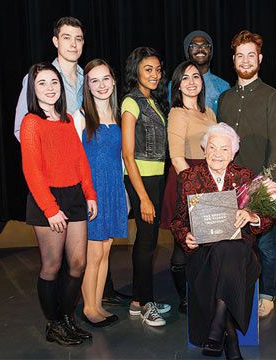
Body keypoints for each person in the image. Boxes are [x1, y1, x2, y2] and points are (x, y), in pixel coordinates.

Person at [170, 123, 273, 359]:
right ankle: (230, 338)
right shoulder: (188, 178)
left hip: (240, 254)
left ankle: (217, 330)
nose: (217, 154)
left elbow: (266, 220)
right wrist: (186, 237)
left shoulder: (245, 176)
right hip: (204, 255)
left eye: (224, 149)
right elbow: (177, 221)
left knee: (229, 249)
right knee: (224, 252)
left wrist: (251, 215)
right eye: (212, 147)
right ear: (204, 149)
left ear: (234, 152)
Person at [20, 62, 97, 345]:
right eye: (42, 83)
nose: (50, 88)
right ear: (33, 89)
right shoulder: (31, 122)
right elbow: (32, 170)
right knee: (51, 266)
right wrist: (50, 209)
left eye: (54, 82)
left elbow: (80, 160)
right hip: (47, 198)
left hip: (74, 195)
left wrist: (90, 194)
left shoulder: (66, 119)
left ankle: (67, 318)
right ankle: (53, 324)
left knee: (77, 263)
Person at [218, 30, 276, 318]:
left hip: (258, 185)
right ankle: (233, 293)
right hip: (228, 187)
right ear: (233, 60)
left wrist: (264, 187)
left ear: (260, 58)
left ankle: (267, 293)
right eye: (240, 55)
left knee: (266, 245)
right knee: (232, 246)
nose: (246, 61)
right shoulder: (224, 97)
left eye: (251, 55)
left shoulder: (272, 96)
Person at [73, 59, 128, 327]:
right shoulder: (80, 116)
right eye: (94, 80)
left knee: (106, 250)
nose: (101, 85)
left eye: (105, 78)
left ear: (114, 81)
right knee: (93, 253)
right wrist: (84, 194)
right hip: (91, 192)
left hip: (114, 188)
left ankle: (98, 303)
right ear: (87, 86)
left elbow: (120, 159)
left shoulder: (118, 117)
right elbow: (74, 160)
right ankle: (89, 308)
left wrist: (125, 195)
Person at [161, 60, 217, 313]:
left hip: (208, 178)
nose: (192, 81)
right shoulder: (177, 113)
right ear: (177, 85)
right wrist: (198, 189)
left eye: (196, 76)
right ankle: (184, 298)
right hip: (186, 182)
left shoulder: (209, 112)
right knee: (184, 243)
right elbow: (176, 157)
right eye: (185, 78)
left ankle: (202, 291)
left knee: (205, 243)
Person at [121, 47, 171, 326]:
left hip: (156, 177)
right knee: (145, 243)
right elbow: (128, 154)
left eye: (157, 69)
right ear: (136, 71)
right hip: (142, 179)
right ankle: (145, 305)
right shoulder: (132, 102)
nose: (154, 74)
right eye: (148, 69)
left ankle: (139, 300)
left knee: (148, 242)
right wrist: (143, 197)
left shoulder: (152, 101)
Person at [15, 17, 84, 141]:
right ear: (56, 41)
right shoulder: (38, 79)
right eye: (67, 38)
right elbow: (21, 129)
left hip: (86, 157)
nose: (73, 44)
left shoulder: (89, 80)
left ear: (83, 42)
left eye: (78, 39)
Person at [168, 30, 230, 115]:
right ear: (187, 52)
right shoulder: (175, 84)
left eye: (204, 46)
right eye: (194, 46)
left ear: (210, 51)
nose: (200, 49)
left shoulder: (223, 86)